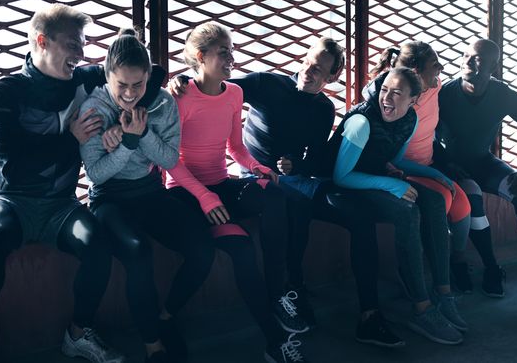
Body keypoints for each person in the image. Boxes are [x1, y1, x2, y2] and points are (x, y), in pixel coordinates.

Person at [170, 37, 408, 348]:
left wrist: (297, 164)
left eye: (320, 70)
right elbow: (215, 83)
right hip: (257, 176)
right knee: (293, 204)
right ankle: (292, 289)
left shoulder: (324, 108)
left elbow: (316, 158)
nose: (310, 71)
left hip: (297, 179)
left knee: (359, 215)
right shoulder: (267, 84)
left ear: (333, 77)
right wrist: (182, 78)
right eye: (309, 62)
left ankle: (370, 315)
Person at [0, 4, 124, 363]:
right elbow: (14, 158)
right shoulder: (5, 92)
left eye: (82, 44)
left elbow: (145, 70)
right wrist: (71, 137)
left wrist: (175, 82)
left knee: (99, 243)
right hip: (11, 199)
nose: (80, 53)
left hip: (61, 205)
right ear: (42, 41)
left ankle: (78, 334)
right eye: (72, 44)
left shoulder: (86, 80)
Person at [166, 21, 309, 363]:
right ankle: (275, 342)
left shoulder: (234, 93)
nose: (231, 57)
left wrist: (260, 169)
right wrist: (204, 196)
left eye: (231, 50)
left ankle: (278, 294)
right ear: (200, 57)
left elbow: (236, 148)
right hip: (186, 193)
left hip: (219, 184)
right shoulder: (181, 95)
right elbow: (169, 160)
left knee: (278, 197)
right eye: (222, 52)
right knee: (242, 249)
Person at [79, 28, 217, 363]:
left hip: (150, 192)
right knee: (138, 254)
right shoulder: (93, 108)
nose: (129, 94)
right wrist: (128, 141)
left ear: (147, 79)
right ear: (107, 76)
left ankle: (166, 316)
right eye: (121, 85)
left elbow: (169, 159)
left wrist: (139, 135)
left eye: (137, 85)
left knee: (202, 248)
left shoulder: (163, 102)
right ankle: (152, 344)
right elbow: (97, 174)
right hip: (109, 199)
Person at [325, 66, 467, 345]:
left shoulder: (409, 119)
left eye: (397, 93)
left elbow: (396, 160)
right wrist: (392, 185)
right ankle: (422, 308)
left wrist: (435, 175)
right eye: (385, 90)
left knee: (435, 199)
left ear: (413, 100)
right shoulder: (361, 122)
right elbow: (341, 177)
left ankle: (443, 293)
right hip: (347, 188)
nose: (386, 98)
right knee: (407, 210)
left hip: (375, 178)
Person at [436, 38, 517, 301]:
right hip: (452, 168)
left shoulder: (503, 94)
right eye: (466, 56)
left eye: (478, 58)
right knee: (473, 202)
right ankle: (492, 269)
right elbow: (426, 136)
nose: (469, 62)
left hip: (483, 162)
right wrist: (446, 163)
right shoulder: (444, 94)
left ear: (493, 67)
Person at [370, 43, 472, 293]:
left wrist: (444, 163)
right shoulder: (400, 102)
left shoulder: (434, 86)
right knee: (442, 200)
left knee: (464, 205)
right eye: (435, 65)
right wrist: (438, 175)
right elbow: (394, 157)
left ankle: (453, 263)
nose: (441, 68)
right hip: (402, 170)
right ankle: (416, 274)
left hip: (427, 164)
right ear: (416, 71)